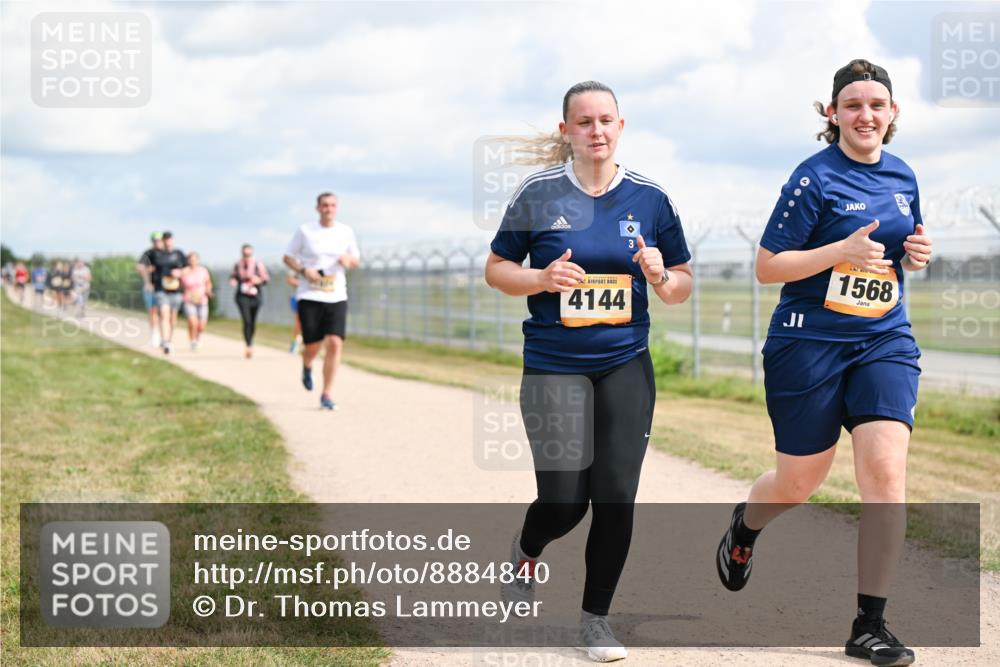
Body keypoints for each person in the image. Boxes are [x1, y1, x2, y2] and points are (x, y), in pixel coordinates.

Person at [714, 59, 932, 667]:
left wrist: (915, 254)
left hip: (882, 339)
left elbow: (901, 248)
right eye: (854, 105)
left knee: (886, 473)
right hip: (807, 345)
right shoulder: (813, 179)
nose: (866, 115)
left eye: (877, 105)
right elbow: (768, 266)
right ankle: (746, 527)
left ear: (892, 115)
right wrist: (840, 249)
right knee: (799, 482)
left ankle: (870, 624)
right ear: (832, 113)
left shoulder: (903, 174)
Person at [484, 81, 692, 662]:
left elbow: (681, 287)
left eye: (606, 120)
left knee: (617, 496)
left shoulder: (651, 199)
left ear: (621, 126)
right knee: (564, 502)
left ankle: (596, 619)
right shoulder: (538, 193)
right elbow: (497, 268)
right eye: (584, 122)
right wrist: (542, 279)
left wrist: (659, 277)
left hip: (625, 362)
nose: (596, 131)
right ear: (566, 131)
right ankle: (527, 553)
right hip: (554, 366)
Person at [283, 193, 361, 410]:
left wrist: (349, 260)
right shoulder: (305, 231)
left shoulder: (346, 231)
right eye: (325, 205)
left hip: (336, 294)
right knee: (313, 345)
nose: (329, 209)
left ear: (337, 208)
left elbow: (355, 259)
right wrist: (303, 270)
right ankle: (307, 366)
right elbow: (287, 256)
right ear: (317, 208)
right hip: (310, 294)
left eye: (333, 205)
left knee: (335, 342)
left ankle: (326, 393)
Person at [228, 244, 269, 358]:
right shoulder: (237, 264)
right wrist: (233, 281)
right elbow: (233, 276)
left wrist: (258, 280)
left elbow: (266, 279)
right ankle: (248, 345)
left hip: (255, 295)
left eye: (248, 254)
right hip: (242, 296)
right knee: (246, 320)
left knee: (252, 321)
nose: (246, 256)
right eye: (244, 254)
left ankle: (251, 340)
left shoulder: (258, 264)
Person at [151, 232, 187, 354]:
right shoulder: (156, 254)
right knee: (164, 314)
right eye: (165, 239)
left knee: (173, 318)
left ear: (172, 240)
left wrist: (180, 272)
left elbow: (187, 268)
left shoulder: (179, 254)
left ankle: (170, 339)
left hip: (176, 290)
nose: (167, 241)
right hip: (161, 289)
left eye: (169, 239)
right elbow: (146, 267)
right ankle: (165, 340)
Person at [181, 251, 213, 350]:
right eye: (191, 260)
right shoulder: (184, 271)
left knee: (201, 325)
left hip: (202, 300)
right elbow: (180, 285)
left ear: (198, 260)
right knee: (192, 322)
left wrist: (208, 291)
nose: (193, 261)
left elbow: (208, 283)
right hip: (189, 300)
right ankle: (192, 341)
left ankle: (199, 337)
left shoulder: (203, 271)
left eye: (195, 259)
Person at [137, 232, 165, 347]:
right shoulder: (148, 253)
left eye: (159, 240)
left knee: (165, 313)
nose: (157, 242)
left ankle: (165, 338)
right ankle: (154, 335)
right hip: (151, 287)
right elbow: (139, 267)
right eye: (155, 240)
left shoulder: (167, 253)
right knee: (153, 312)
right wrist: (148, 280)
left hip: (165, 289)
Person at [286, 271, 303, 354]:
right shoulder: (297, 261)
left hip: (315, 297)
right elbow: (289, 279)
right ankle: (295, 342)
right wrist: (304, 283)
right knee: (298, 322)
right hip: (298, 298)